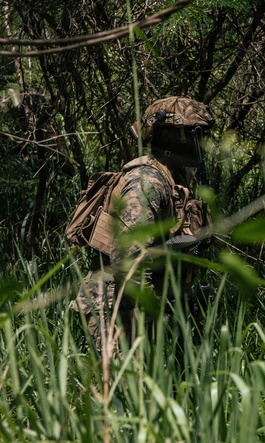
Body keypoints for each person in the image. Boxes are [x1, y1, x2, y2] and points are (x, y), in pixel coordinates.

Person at [71, 96, 214, 351]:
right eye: (195, 134)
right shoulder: (147, 182)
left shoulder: (175, 180)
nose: (203, 143)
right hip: (118, 311)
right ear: (168, 138)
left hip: (146, 306)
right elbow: (128, 259)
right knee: (124, 378)